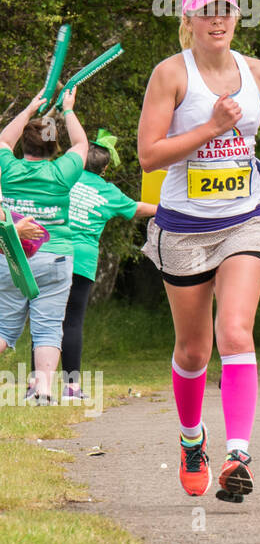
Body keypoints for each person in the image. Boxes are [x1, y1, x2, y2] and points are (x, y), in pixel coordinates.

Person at [137, 0, 260, 501]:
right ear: (187, 20)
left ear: (237, 16)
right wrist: (210, 127)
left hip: (244, 220)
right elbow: (149, 156)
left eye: (225, 9)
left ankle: (238, 455)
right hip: (183, 229)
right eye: (205, 10)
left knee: (235, 330)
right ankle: (192, 440)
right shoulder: (170, 75)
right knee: (193, 350)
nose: (217, 18)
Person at [0, 89, 88, 403]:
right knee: (49, 325)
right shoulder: (61, 172)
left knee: (5, 328)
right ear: (53, 146)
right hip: (55, 255)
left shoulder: (8, 168)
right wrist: (68, 110)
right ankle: (44, 391)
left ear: (26, 142)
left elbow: (3, 140)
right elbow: (81, 144)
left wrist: (28, 111)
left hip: (12, 254)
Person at [57, 129, 157, 400]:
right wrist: (165, 208)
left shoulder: (64, 176)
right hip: (83, 260)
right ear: (105, 168)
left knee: (46, 319)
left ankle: (37, 385)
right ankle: (71, 387)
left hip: (51, 253)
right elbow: (136, 208)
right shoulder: (108, 191)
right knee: (73, 322)